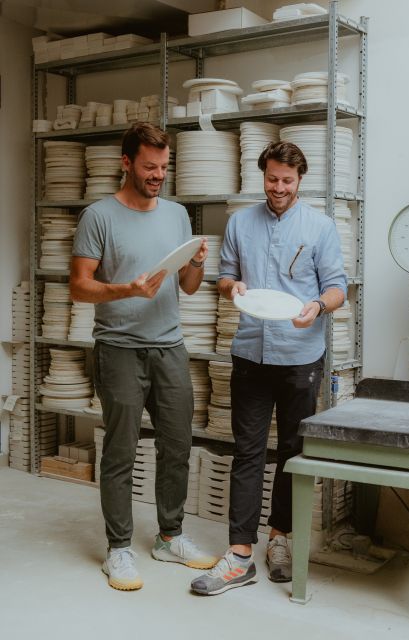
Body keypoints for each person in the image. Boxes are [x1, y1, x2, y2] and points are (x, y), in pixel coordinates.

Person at [191, 141, 347, 595]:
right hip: (250, 354)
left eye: (287, 181)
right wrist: (231, 286)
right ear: (263, 175)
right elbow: (224, 277)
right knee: (248, 451)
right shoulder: (241, 222)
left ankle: (280, 538)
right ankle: (240, 553)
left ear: (300, 181)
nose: (279, 188)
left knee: (293, 453)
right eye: (272, 179)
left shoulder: (319, 226)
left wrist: (317, 306)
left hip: (301, 356)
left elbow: (337, 288)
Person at [70, 122, 217, 591]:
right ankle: (118, 549)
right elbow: (78, 286)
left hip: (170, 347)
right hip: (118, 349)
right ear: (126, 162)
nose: (158, 176)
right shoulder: (99, 216)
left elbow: (188, 288)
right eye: (150, 167)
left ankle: (169, 537)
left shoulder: (176, 215)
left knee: (177, 445)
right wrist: (124, 288)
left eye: (164, 168)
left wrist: (196, 263)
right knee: (121, 451)